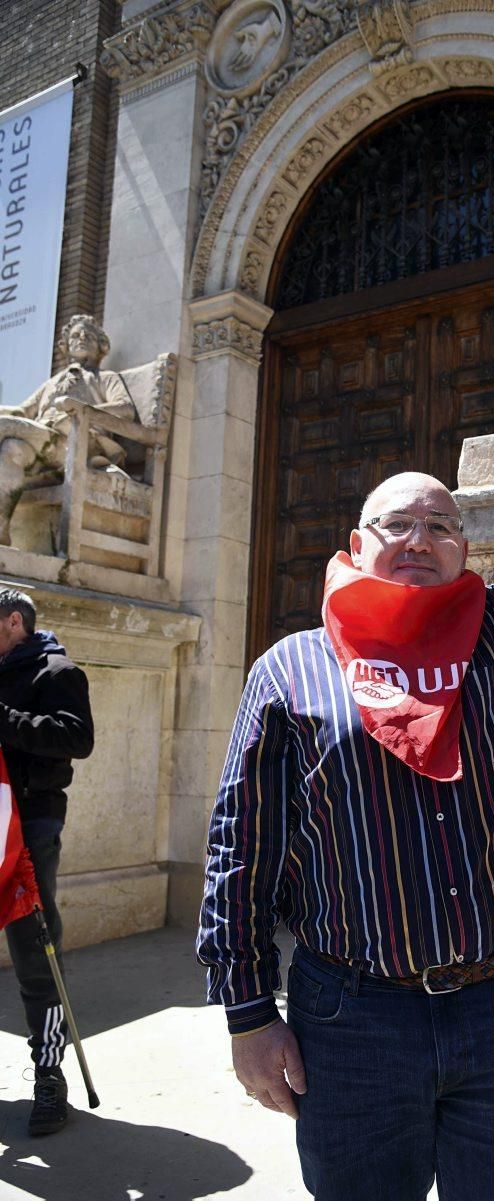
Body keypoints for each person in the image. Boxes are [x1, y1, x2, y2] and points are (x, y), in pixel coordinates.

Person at [198, 317, 494, 1200]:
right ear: (356, 546)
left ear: (465, 551)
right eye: (398, 524)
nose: (418, 538)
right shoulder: (290, 670)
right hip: (354, 1022)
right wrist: (248, 1011)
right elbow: (242, 854)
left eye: (440, 525)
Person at [0, 588, 94, 1135]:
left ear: (14, 622)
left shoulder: (57, 672)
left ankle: (49, 1075)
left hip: (30, 827)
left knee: (35, 950)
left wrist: (4, 719)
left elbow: (77, 740)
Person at [0, 314, 136, 544]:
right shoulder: (52, 383)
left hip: (80, 443)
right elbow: (23, 412)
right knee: (12, 449)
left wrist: (78, 410)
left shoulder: (104, 378)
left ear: (101, 347)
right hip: (45, 444)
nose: (81, 338)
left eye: (89, 336)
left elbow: (126, 409)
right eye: (75, 335)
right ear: (66, 346)